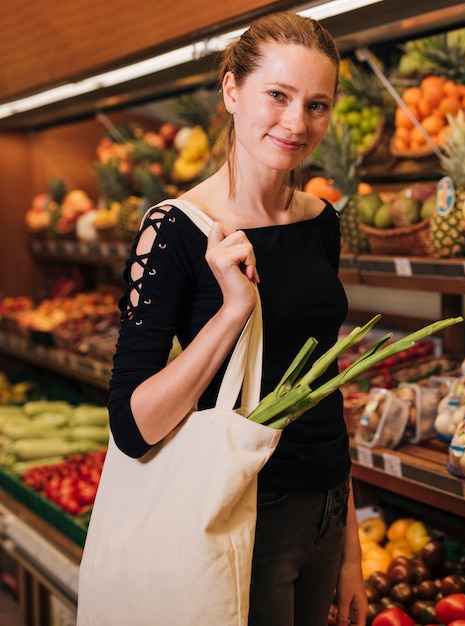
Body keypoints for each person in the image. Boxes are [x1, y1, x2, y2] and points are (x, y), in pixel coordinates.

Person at [107, 11, 368, 626]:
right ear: (231, 91)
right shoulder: (175, 230)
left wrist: (350, 551)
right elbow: (132, 425)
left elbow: (321, 392)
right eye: (277, 95)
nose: (296, 122)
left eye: (317, 105)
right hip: (241, 515)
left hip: (327, 509)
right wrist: (234, 310)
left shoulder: (320, 220)